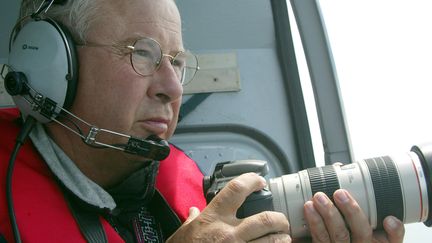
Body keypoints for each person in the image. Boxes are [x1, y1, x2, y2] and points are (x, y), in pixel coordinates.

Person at [0, 0, 405, 242]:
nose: (173, 88)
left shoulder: (189, 198)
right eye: (142, 53)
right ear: (51, 65)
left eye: (176, 62)